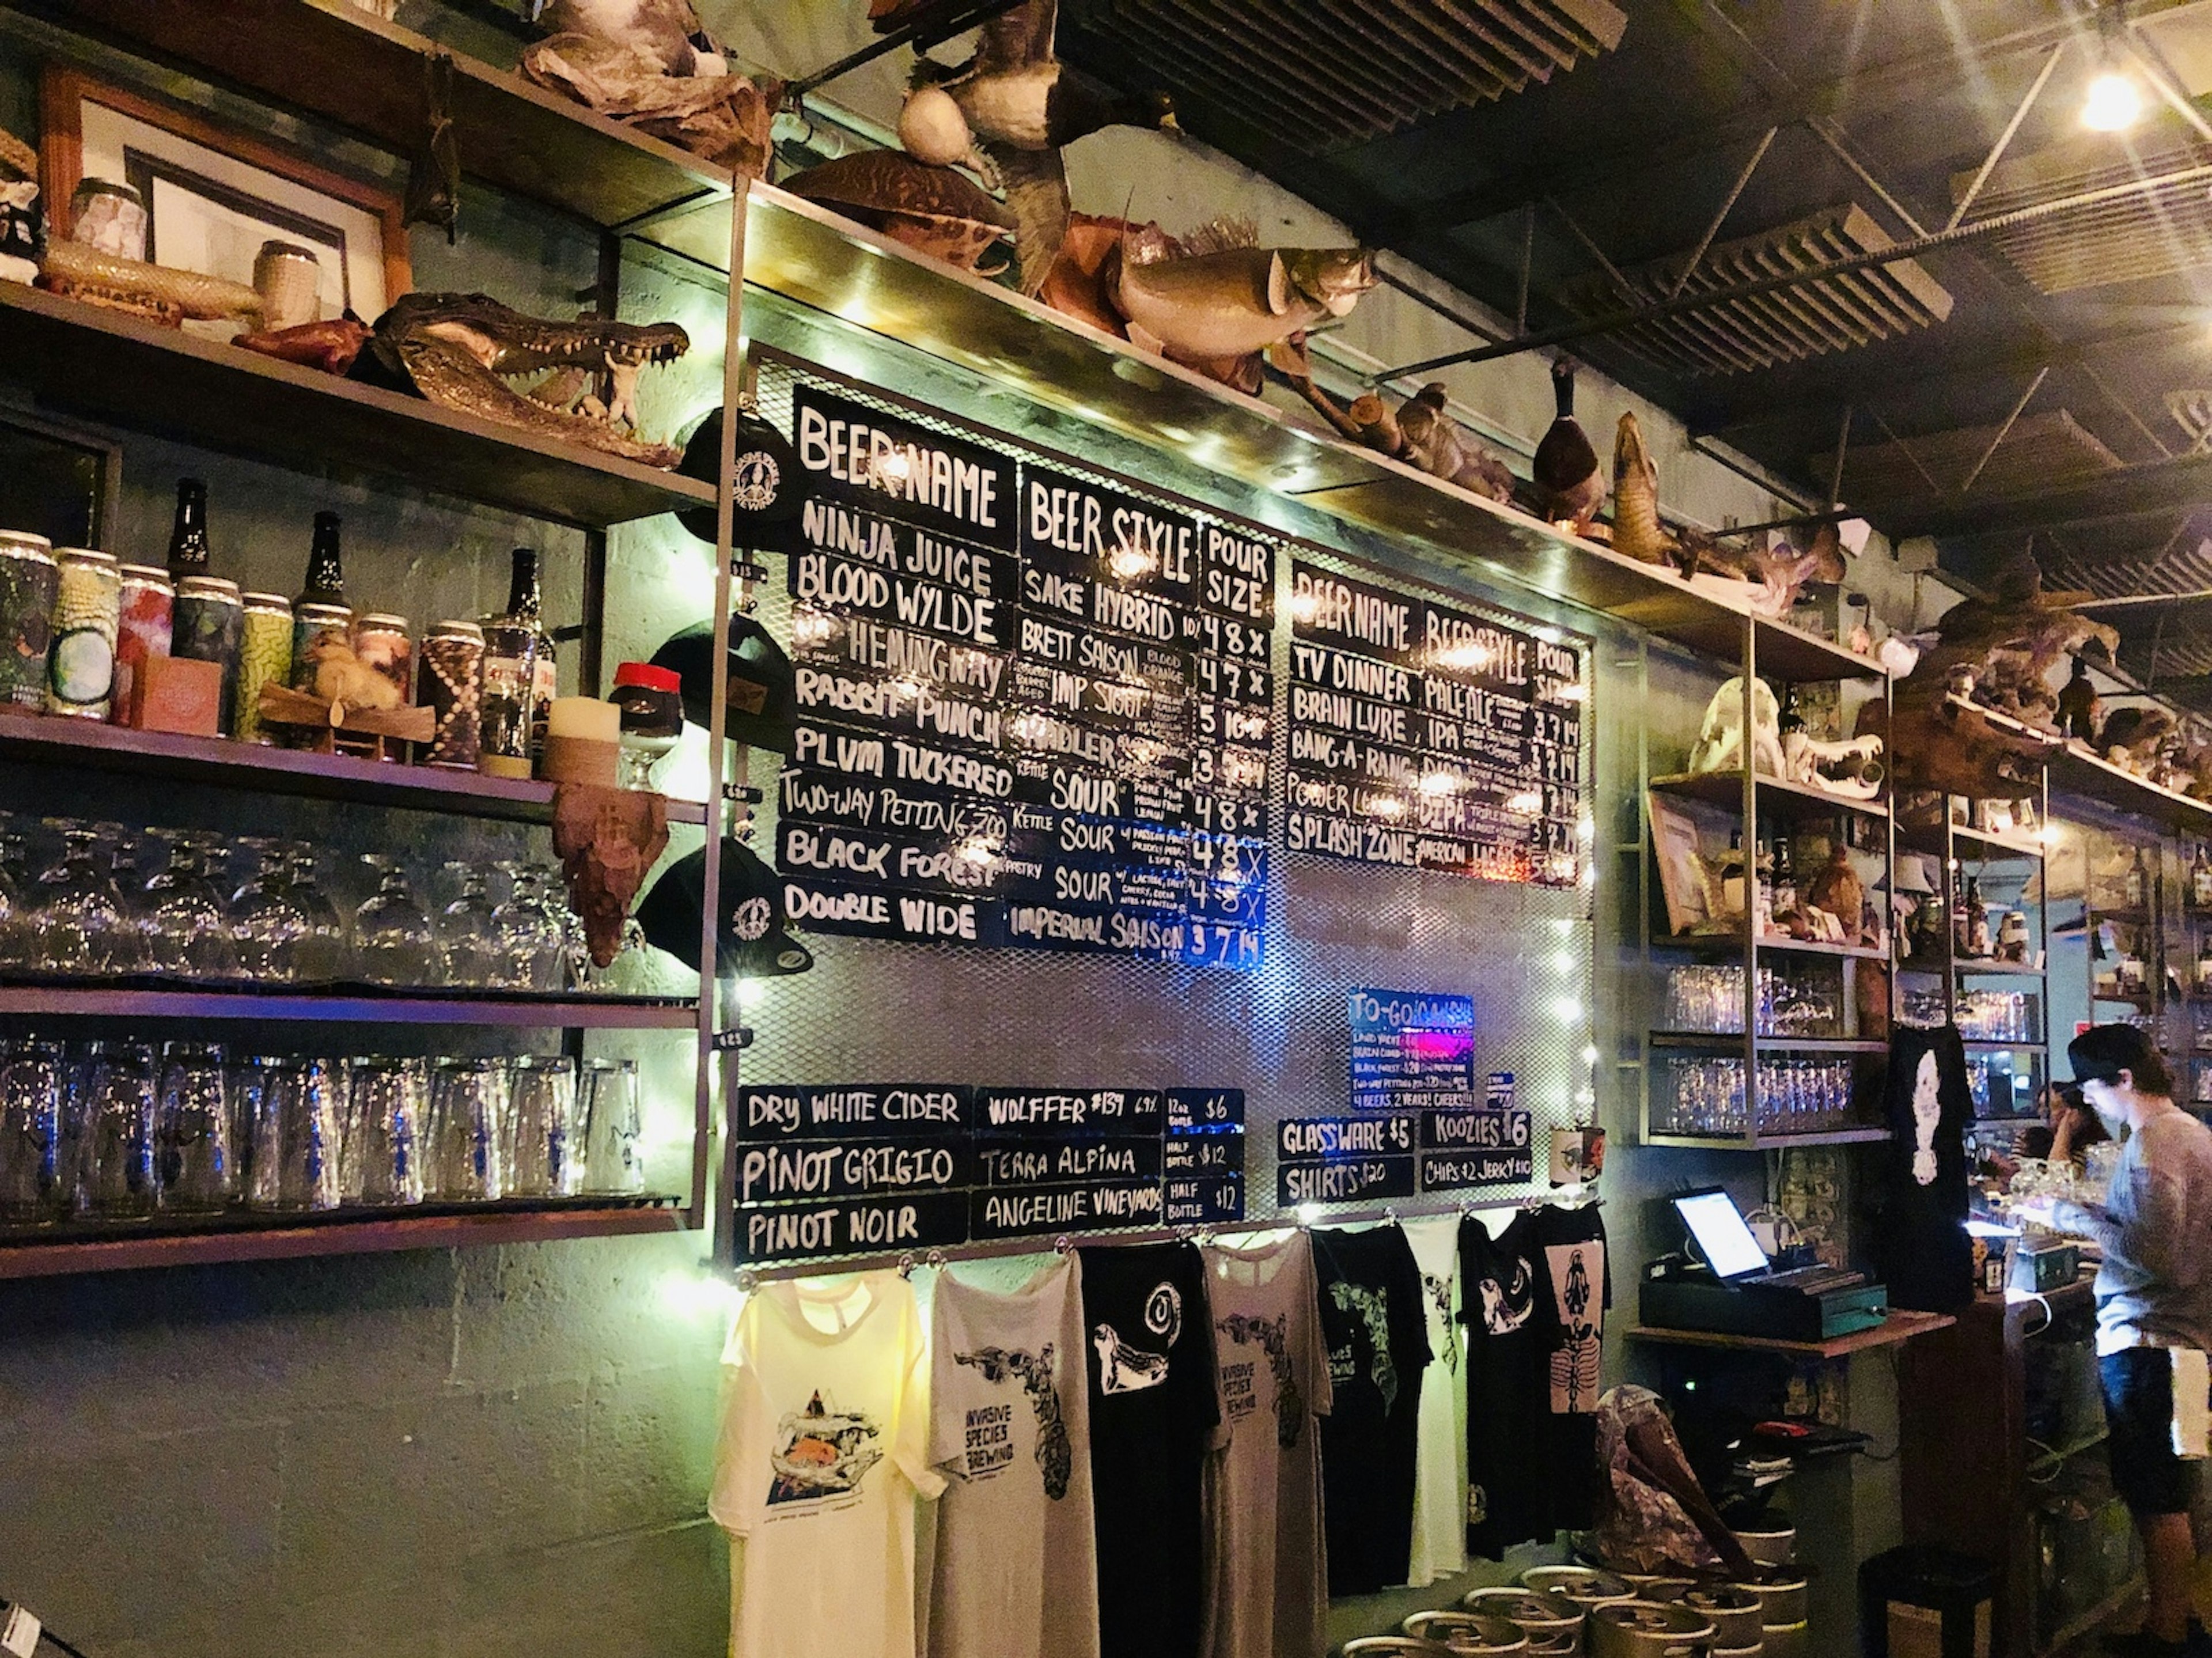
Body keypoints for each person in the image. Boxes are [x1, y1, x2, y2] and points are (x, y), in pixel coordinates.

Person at [2018, 1026, 2212, 1657]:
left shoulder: (2156, 1142)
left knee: (2154, 1494)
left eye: (2094, 1089)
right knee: (2172, 1491)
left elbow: (2158, 1257)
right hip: (2187, 1341)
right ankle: (2175, 1622)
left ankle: (2167, 1637)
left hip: (2149, 1340)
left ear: (2124, 1080)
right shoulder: (2190, 1133)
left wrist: (2069, 1215)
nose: (2091, 1103)